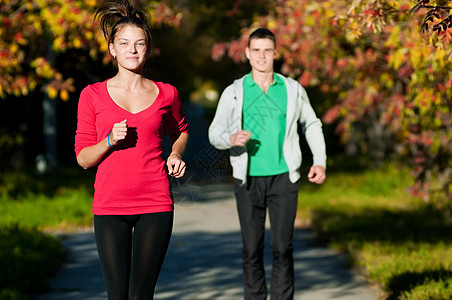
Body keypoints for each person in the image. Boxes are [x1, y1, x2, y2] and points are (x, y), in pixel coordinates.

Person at [74, 1, 188, 299]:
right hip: (110, 206)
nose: (132, 50)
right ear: (112, 49)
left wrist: (175, 153)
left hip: (155, 202)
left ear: (148, 49)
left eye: (139, 44)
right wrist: (109, 141)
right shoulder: (92, 95)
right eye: (124, 43)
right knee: (117, 295)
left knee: (141, 295)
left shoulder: (166, 93)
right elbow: (83, 158)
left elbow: (180, 132)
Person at [208, 28, 327, 300]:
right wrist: (231, 138)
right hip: (247, 179)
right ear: (247, 54)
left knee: (282, 248)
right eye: (256, 50)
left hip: (284, 178)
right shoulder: (235, 92)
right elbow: (214, 134)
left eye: (267, 50)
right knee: (252, 248)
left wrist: (319, 161)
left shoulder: (292, 89)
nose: (262, 56)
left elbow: (311, 124)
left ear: (276, 53)